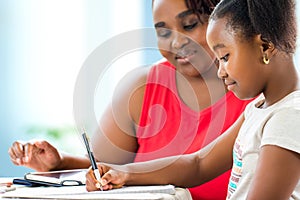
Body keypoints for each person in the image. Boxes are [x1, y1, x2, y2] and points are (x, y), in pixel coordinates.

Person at [8, 0, 253, 199]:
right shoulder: (142, 87)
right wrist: (58, 163)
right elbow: (104, 169)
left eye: (189, 25)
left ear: (222, 20)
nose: (176, 42)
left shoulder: (255, 94)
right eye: (163, 32)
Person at [85, 0, 300, 199]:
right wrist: (124, 173)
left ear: (264, 47)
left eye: (225, 57)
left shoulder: (288, 118)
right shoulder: (258, 110)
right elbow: (199, 164)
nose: (221, 72)